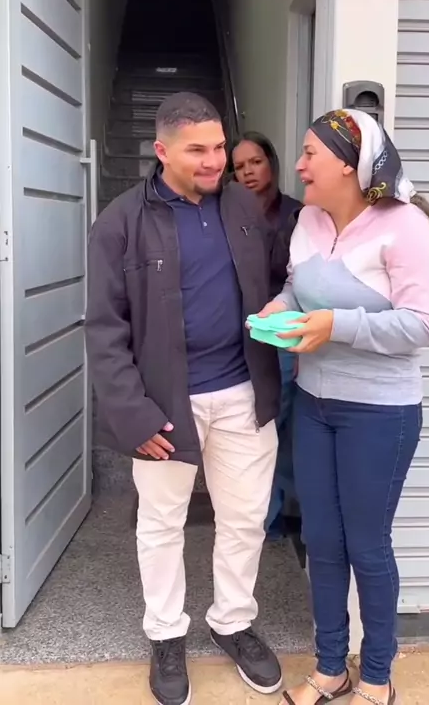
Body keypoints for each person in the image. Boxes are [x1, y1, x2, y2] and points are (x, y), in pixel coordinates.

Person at [85, 92, 284, 705]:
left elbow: (283, 272)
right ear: (162, 151)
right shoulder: (120, 222)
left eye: (220, 146)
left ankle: (233, 620)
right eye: (198, 149)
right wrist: (133, 414)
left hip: (244, 393)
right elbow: (104, 328)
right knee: (161, 524)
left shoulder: (242, 205)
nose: (215, 160)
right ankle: (167, 633)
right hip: (165, 404)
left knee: (245, 518)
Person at [256, 109, 429, 705]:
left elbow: (427, 325)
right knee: (322, 540)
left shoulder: (405, 226)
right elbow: (298, 287)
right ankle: (331, 668)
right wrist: (280, 307)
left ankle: (377, 677)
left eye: (311, 153)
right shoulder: (309, 220)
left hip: (380, 415)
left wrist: (337, 325)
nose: (299, 165)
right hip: (314, 405)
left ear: (349, 165)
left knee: (367, 544)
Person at [232, 132, 302, 538]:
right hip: (242, 335)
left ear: (271, 164)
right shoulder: (227, 215)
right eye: (239, 167)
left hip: (284, 334)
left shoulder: (296, 215)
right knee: (254, 425)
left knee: (279, 422)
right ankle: (263, 514)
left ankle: (275, 515)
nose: (248, 172)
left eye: (255, 162)